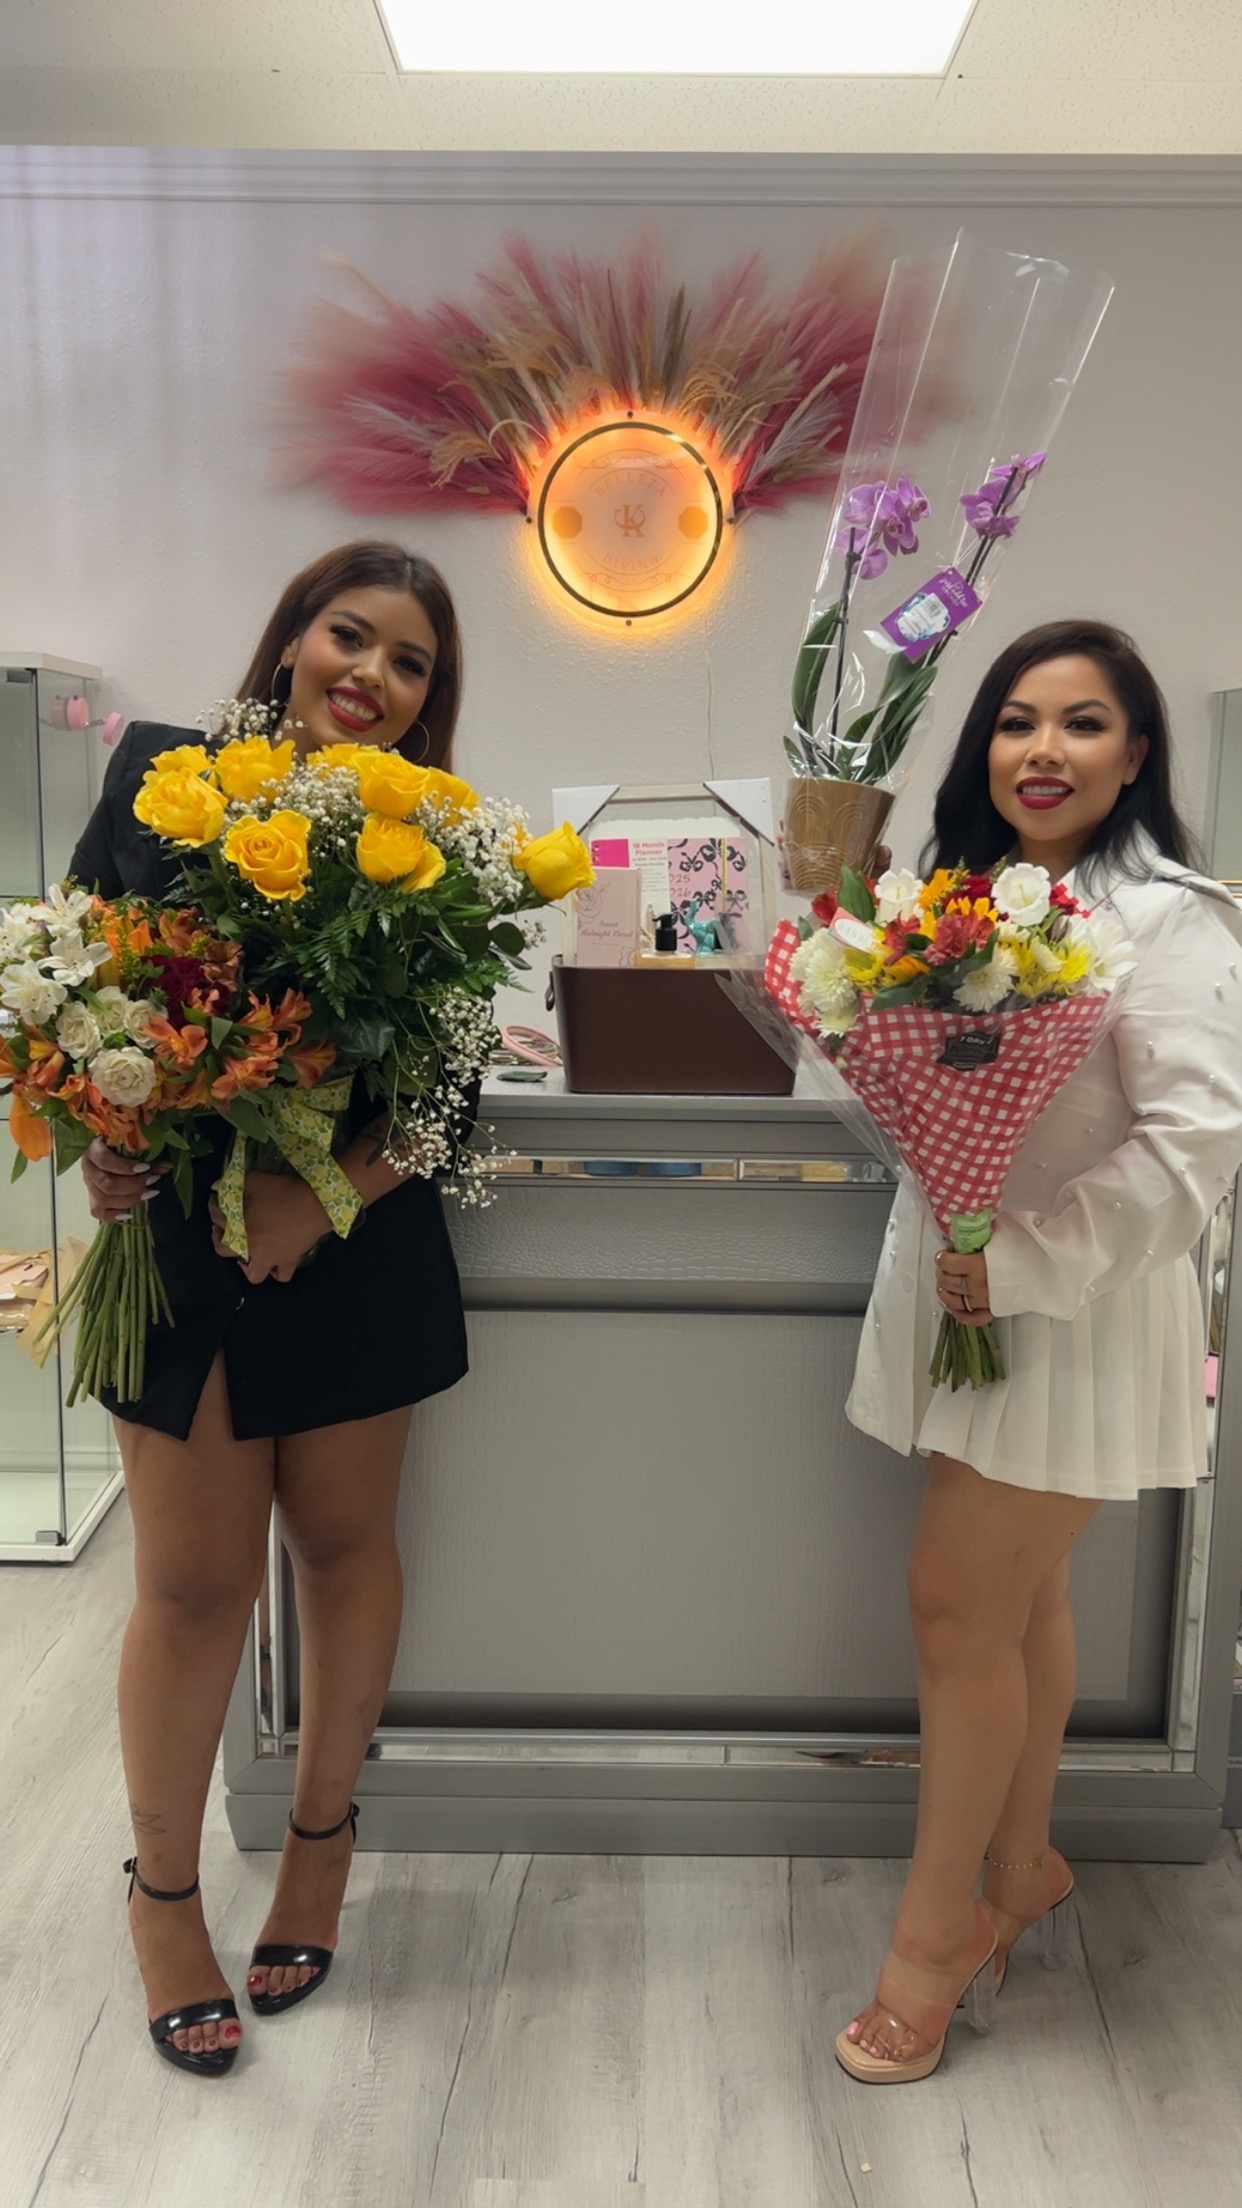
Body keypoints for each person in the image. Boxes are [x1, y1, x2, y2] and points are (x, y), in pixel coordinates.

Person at [71, 540, 470, 2077]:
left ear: (430, 698)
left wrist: (328, 1198)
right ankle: (162, 1895)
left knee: (344, 1550)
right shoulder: (160, 779)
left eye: (409, 661)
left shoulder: (441, 840)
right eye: (347, 635)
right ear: (292, 638)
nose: (370, 673)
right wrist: (101, 1131)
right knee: (189, 1587)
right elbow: (77, 988)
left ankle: (320, 1845)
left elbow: (446, 1095)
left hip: (357, 1237)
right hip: (178, 1242)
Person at [835, 618, 1242, 2083]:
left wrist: (1024, 1261)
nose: (1043, 750)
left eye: (1081, 722)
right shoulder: (953, 901)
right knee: (1016, 1606)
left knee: (955, 1609)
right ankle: (1019, 1869)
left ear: (1136, 753)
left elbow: (1197, 1142)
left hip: (1073, 1308)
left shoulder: (1171, 917)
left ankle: (931, 1939)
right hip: (964, 1300)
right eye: (1015, 721)